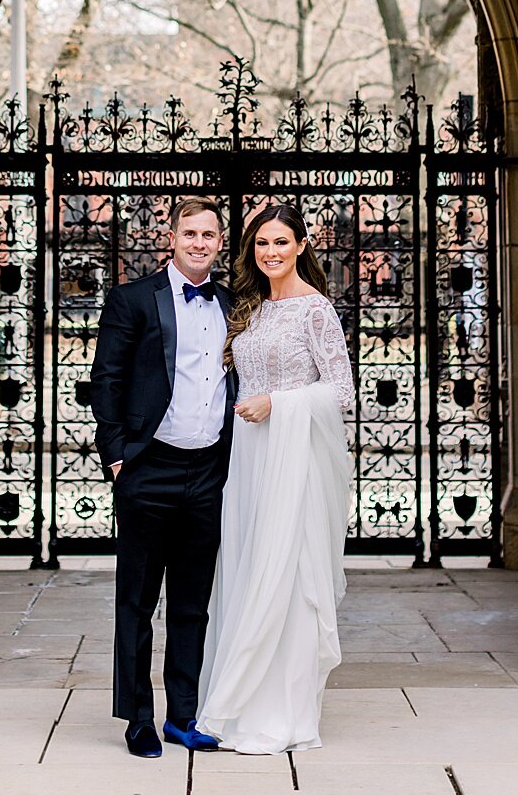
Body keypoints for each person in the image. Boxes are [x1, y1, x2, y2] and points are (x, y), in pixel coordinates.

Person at [196, 201, 354, 755]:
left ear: (302, 246)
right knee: (244, 567)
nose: (271, 252)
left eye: (281, 242)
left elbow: (341, 391)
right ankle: (235, 699)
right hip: (248, 460)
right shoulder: (251, 308)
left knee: (287, 575)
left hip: (295, 459)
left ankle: (281, 711)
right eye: (262, 243)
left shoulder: (317, 312)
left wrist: (278, 405)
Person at [89, 196, 236, 758]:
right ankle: (137, 719)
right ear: (170, 238)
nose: (200, 242)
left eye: (210, 235)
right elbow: (106, 379)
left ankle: (183, 715)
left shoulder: (231, 303)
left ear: (220, 243)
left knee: (193, 602)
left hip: (207, 472)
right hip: (148, 468)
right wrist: (117, 453)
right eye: (190, 233)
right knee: (137, 599)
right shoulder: (134, 300)